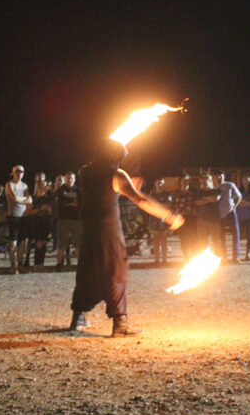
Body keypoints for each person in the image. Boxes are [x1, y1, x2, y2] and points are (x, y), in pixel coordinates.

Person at [70, 139, 184, 336]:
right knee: (115, 272)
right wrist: (168, 215)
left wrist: (126, 185)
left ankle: (78, 317)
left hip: (89, 229)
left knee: (88, 271)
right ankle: (120, 323)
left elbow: (102, 192)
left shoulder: (84, 172)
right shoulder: (117, 174)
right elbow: (139, 199)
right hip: (108, 230)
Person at [5, 165, 32, 273]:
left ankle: (20, 264)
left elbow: (30, 200)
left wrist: (21, 199)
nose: (19, 173)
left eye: (21, 171)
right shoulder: (9, 184)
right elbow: (14, 198)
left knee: (22, 241)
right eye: (17, 171)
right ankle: (13, 265)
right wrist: (24, 199)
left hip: (23, 216)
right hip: (13, 216)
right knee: (13, 241)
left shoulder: (24, 185)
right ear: (13, 173)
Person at [25, 172, 54, 270]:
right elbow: (28, 212)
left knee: (44, 242)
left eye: (44, 184)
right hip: (36, 220)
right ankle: (36, 263)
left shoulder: (49, 197)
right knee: (38, 242)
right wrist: (40, 208)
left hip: (46, 221)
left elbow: (52, 210)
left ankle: (41, 263)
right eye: (41, 184)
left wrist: (49, 210)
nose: (43, 186)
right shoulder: (33, 198)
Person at [55, 171, 81, 271]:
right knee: (61, 243)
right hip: (63, 219)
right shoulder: (60, 190)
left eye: (72, 178)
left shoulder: (78, 190)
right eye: (68, 178)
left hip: (76, 220)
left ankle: (80, 264)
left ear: (74, 179)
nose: (70, 180)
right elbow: (59, 203)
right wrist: (71, 203)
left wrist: (67, 203)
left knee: (78, 243)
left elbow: (80, 203)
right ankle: (59, 264)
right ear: (65, 179)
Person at [237, 174, 250, 260]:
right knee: (238, 235)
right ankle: (237, 253)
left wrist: (245, 202)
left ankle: (248, 252)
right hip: (240, 215)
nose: (245, 182)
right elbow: (237, 201)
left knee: (249, 235)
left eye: (247, 180)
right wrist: (247, 202)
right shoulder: (239, 190)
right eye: (244, 180)